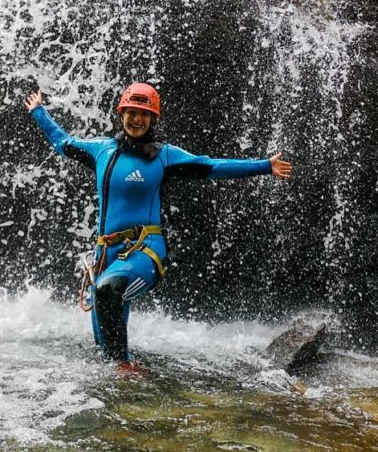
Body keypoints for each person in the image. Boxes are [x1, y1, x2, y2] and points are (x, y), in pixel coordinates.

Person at [25, 82, 292, 372]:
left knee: (107, 292)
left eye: (144, 114)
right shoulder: (101, 150)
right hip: (106, 255)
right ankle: (124, 383)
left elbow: (211, 166)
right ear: (121, 113)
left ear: (153, 119)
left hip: (144, 251)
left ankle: (126, 370)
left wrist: (264, 165)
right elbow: (63, 143)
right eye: (131, 112)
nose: (137, 119)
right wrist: (39, 111)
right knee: (104, 346)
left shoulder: (164, 156)